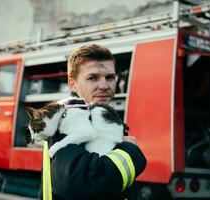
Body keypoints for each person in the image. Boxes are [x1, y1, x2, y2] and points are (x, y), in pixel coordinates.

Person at [48, 44, 146, 200]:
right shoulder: (66, 122)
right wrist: (130, 151)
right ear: (72, 83)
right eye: (92, 78)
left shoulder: (98, 118)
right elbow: (84, 184)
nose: (104, 86)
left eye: (110, 77)